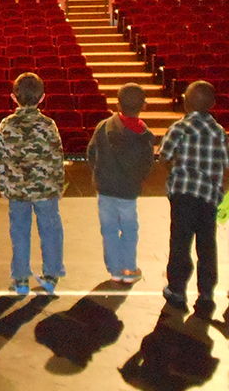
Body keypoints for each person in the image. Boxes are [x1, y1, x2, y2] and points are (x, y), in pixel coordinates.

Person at [158, 80, 229, 315]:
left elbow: (164, 155)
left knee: (180, 242)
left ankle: (177, 290)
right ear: (213, 105)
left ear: (186, 103)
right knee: (207, 244)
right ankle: (206, 292)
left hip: (184, 194)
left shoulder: (180, 127)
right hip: (209, 196)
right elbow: (225, 164)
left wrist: (174, 169)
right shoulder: (219, 131)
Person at [0, 73, 65, 295]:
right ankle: (51, 275)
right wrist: (58, 184)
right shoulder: (48, 124)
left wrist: (5, 185)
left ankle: (21, 278)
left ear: (13, 97)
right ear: (42, 97)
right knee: (51, 230)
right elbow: (56, 156)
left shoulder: (6, 124)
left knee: (20, 233)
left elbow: (1, 158)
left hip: (18, 191)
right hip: (45, 189)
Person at [87, 83, 155, 284]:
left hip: (105, 188)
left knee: (108, 229)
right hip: (128, 191)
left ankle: (114, 269)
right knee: (129, 229)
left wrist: (99, 174)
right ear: (143, 105)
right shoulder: (144, 135)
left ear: (117, 104)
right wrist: (139, 178)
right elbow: (147, 164)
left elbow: (91, 153)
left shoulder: (103, 126)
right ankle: (129, 267)